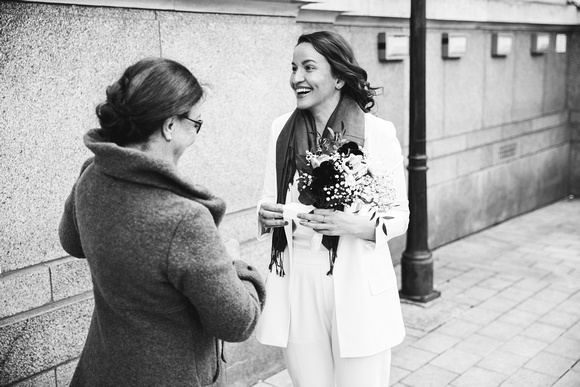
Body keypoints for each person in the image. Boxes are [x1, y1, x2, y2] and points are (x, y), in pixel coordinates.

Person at [59, 58, 266, 387]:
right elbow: (237, 323)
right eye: (196, 123)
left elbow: (71, 242)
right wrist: (234, 265)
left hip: (102, 369)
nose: (197, 131)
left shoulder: (92, 174)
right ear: (170, 126)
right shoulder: (185, 219)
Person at [255, 31, 409, 387]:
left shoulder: (377, 133)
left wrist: (351, 224)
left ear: (339, 76)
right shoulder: (281, 129)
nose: (297, 78)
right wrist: (265, 214)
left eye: (309, 67)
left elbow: (399, 214)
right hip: (299, 281)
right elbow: (267, 196)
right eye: (293, 67)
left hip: (358, 280)